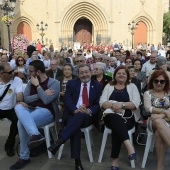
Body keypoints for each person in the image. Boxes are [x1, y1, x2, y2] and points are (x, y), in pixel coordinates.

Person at [48, 64, 102, 170]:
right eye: (81, 73)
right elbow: (67, 100)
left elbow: (98, 104)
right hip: (72, 113)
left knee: (81, 116)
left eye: (86, 72)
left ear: (90, 72)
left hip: (87, 115)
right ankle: (77, 162)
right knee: (76, 126)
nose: (84, 75)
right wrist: (75, 109)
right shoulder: (72, 83)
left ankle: (59, 141)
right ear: (78, 74)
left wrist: (89, 110)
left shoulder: (97, 86)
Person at [10, 60, 60, 169]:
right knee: (18, 105)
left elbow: (47, 100)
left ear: (37, 72)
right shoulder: (29, 82)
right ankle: (35, 134)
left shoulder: (54, 83)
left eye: (31, 71)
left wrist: (38, 86)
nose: (29, 73)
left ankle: (24, 157)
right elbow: (26, 98)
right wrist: (40, 93)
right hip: (30, 108)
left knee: (21, 122)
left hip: (46, 110)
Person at [99, 65, 140, 170]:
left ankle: (115, 160)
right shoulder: (109, 86)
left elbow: (136, 104)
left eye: (124, 73)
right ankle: (129, 146)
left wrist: (121, 105)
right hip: (110, 116)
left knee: (117, 127)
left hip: (128, 117)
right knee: (115, 119)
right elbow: (102, 102)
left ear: (127, 76)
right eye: (119, 73)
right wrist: (113, 106)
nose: (121, 75)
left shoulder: (132, 86)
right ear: (115, 75)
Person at [144, 70, 170, 170]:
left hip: (161, 118)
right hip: (153, 122)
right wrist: (166, 112)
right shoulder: (148, 93)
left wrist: (160, 115)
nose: (159, 83)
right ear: (152, 82)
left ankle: (160, 166)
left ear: (166, 82)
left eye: (162, 81)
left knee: (159, 133)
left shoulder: (169, 92)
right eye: (156, 81)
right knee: (158, 122)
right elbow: (148, 108)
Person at [0, 63, 23, 157]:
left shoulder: (17, 80)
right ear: (1, 74)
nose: (12, 73)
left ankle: (9, 145)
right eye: (9, 72)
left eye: (13, 70)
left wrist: (20, 98)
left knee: (17, 120)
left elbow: (19, 94)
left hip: (11, 108)